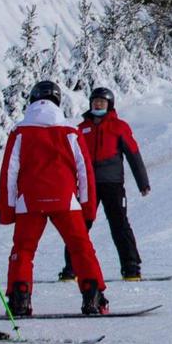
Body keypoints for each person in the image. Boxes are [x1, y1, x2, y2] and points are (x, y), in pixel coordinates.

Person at [0, 80, 108, 318]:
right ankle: (93, 296)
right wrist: (87, 208)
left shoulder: (20, 132)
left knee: (23, 250)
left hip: (29, 201)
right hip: (65, 199)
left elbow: (9, 171)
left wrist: (7, 210)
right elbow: (84, 171)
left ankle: (19, 299)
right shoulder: (70, 131)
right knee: (81, 248)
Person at [59, 85, 151, 283]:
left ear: (110, 105)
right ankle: (71, 268)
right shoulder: (81, 129)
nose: (98, 104)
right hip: (87, 186)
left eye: (102, 102)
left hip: (112, 184)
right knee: (79, 226)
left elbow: (133, 155)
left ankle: (131, 267)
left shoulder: (119, 127)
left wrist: (142, 183)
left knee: (119, 225)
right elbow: (69, 159)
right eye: (95, 101)